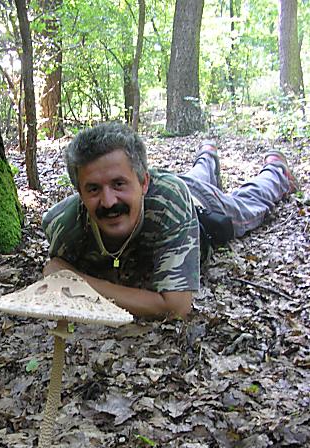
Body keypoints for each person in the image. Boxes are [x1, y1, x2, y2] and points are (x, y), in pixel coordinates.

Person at [42, 122, 298, 319]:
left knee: (248, 206)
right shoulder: (62, 225)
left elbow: (176, 307)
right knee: (194, 177)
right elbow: (54, 268)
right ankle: (206, 157)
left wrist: (78, 280)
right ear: (80, 194)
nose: (108, 202)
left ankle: (276, 171)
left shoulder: (171, 204)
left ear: (143, 182)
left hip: (200, 206)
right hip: (172, 187)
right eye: (94, 189)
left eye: (118, 184)